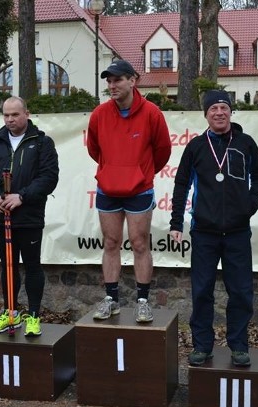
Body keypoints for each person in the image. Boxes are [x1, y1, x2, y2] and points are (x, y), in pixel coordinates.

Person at [169, 90, 258, 367]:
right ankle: (202, 345)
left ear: (231, 111)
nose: (219, 113)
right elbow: (181, 185)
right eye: (213, 109)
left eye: (224, 107)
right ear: (206, 114)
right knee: (202, 292)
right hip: (204, 232)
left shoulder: (245, 143)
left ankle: (238, 346)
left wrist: (250, 205)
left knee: (240, 292)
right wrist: (177, 222)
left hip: (237, 232)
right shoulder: (196, 146)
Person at [86, 59, 172, 323]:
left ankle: (143, 301)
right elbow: (94, 149)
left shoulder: (152, 113)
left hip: (139, 190)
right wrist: (112, 169)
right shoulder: (100, 114)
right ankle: (111, 300)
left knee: (139, 243)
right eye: (109, 81)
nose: (112, 86)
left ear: (132, 80)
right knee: (110, 243)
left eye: (117, 80)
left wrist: (141, 172)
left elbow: (162, 151)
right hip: (108, 189)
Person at [0, 96, 59, 336]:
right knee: (8, 265)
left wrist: (22, 197)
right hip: (2, 217)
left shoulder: (42, 142)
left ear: (27, 114)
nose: (10, 119)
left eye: (15, 114)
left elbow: (48, 177)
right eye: (6, 115)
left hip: (29, 216)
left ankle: (33, 316)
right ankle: (10, 312)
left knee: (32, 266)